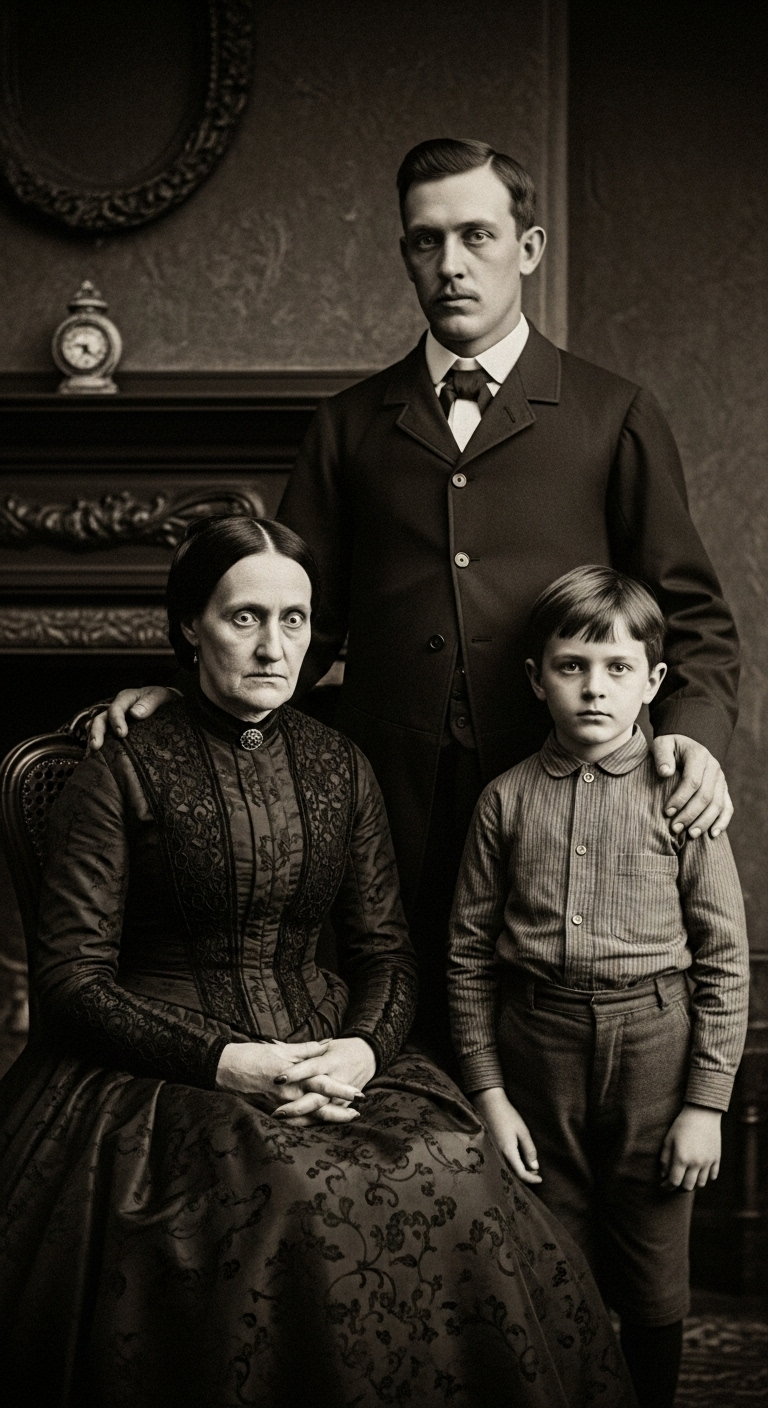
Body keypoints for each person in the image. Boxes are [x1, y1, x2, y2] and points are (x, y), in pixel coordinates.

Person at [89, 137, 739, 1064]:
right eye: (425, 242)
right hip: (388, 800)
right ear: (404, 253)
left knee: (542, 1056)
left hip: (564, 794)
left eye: (476, 235)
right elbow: (291, 612)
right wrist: (189, 698)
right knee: (407, 1036)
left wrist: (695, 740)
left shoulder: (613, 414)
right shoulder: (349, 424)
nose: (451, 264)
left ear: (529, 247)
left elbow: (695, 614)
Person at [0, 519, 636, 1408]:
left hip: (328, 1049)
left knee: (452, 1160)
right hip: (161, 1072)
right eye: (245, 617)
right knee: (291, 1190)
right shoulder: (121, 767)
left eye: (294, 620)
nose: (274, 645)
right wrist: (232, 1063)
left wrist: (363, 1051)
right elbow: (71, 983)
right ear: (192, 626)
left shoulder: (340, 765)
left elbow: (385, 952)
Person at [447, 565, 749, 1408]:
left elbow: (725, 957)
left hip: (656, 1045)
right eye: (572, 666)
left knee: (653, 1267)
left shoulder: (680, 798)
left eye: (617, 669)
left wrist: (706, 1105)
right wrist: (491, 1094)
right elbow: (468, 956)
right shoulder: (504, 803)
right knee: (551, 1256)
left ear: (653, 680)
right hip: (535, 1046)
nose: (593, 689)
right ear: (536, 680)